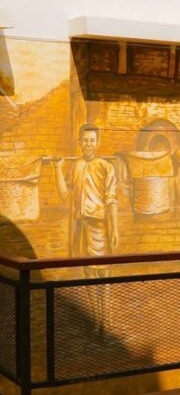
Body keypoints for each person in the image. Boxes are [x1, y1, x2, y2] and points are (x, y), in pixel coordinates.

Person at [54, 124, 118, 336]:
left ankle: (108, 322)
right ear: (80, 142)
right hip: (81, 228)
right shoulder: (75, 166)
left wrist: (114, 229)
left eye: (92, 140)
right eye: (85, 140)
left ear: (97, 143)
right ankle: (96, 320)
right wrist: (58, 169)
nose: (88, 144)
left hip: (100, 228)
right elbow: (65, 195)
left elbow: (111, 200)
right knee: (89, 275)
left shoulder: (106, 167)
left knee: (104, 276)